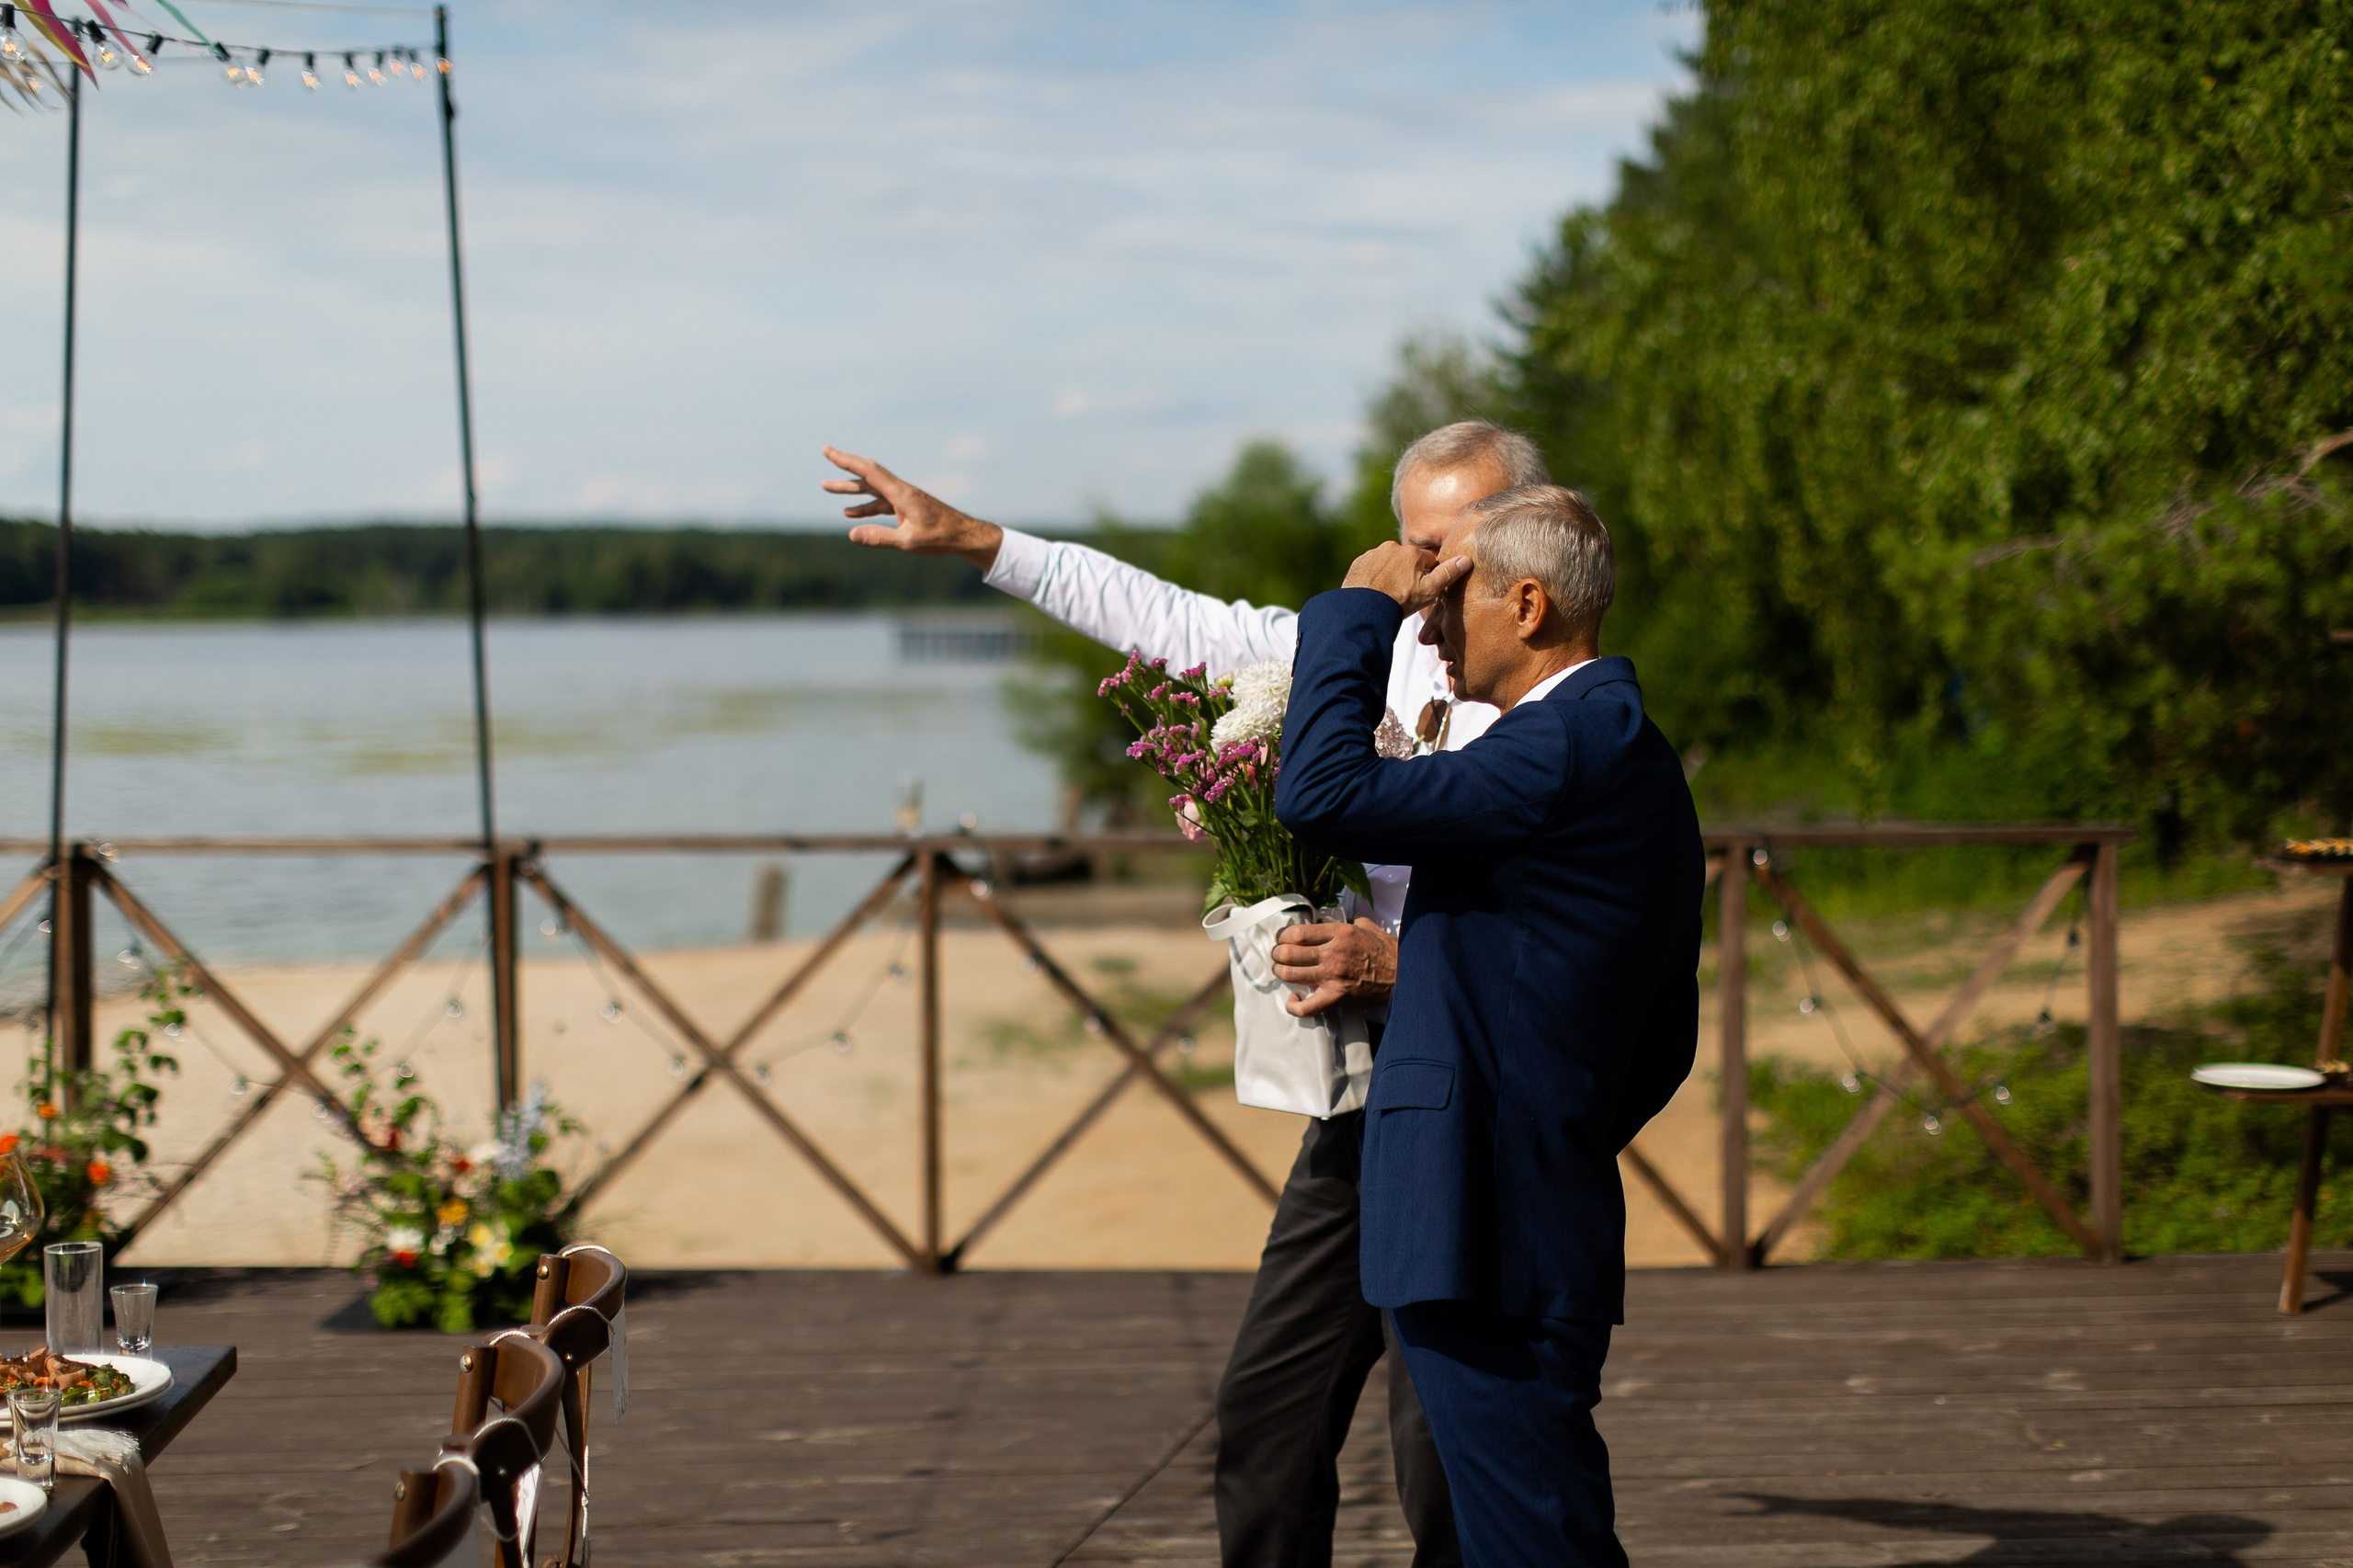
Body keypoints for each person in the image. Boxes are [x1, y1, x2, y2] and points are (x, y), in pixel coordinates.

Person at [823, 422, 1547, 1568]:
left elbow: (1591, 946)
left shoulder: (1556, 708)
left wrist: (1406, 967)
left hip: (1485, 1112)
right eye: (1411, 546)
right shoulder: (1369, 648)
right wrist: (975, 541)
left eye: (1451, 550)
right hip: (1364, 1107)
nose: (1427, 576)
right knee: (1267, 1413)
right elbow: (1161, 617)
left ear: (1529, 548)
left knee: (1442, 1455)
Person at [1274, 485, 1705, 1567]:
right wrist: (1553, 1122)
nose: (1426, 620)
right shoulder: (1619, 747)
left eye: (1446, 595)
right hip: (1516, 1201)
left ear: (1524, 604)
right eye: (1413, 602)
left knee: (1534, 1537)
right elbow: (1665, 1023)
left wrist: (1353, 609)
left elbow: (1319, 790)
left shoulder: (1561, 744)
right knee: (1524, 1520)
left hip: (1487, 1221)